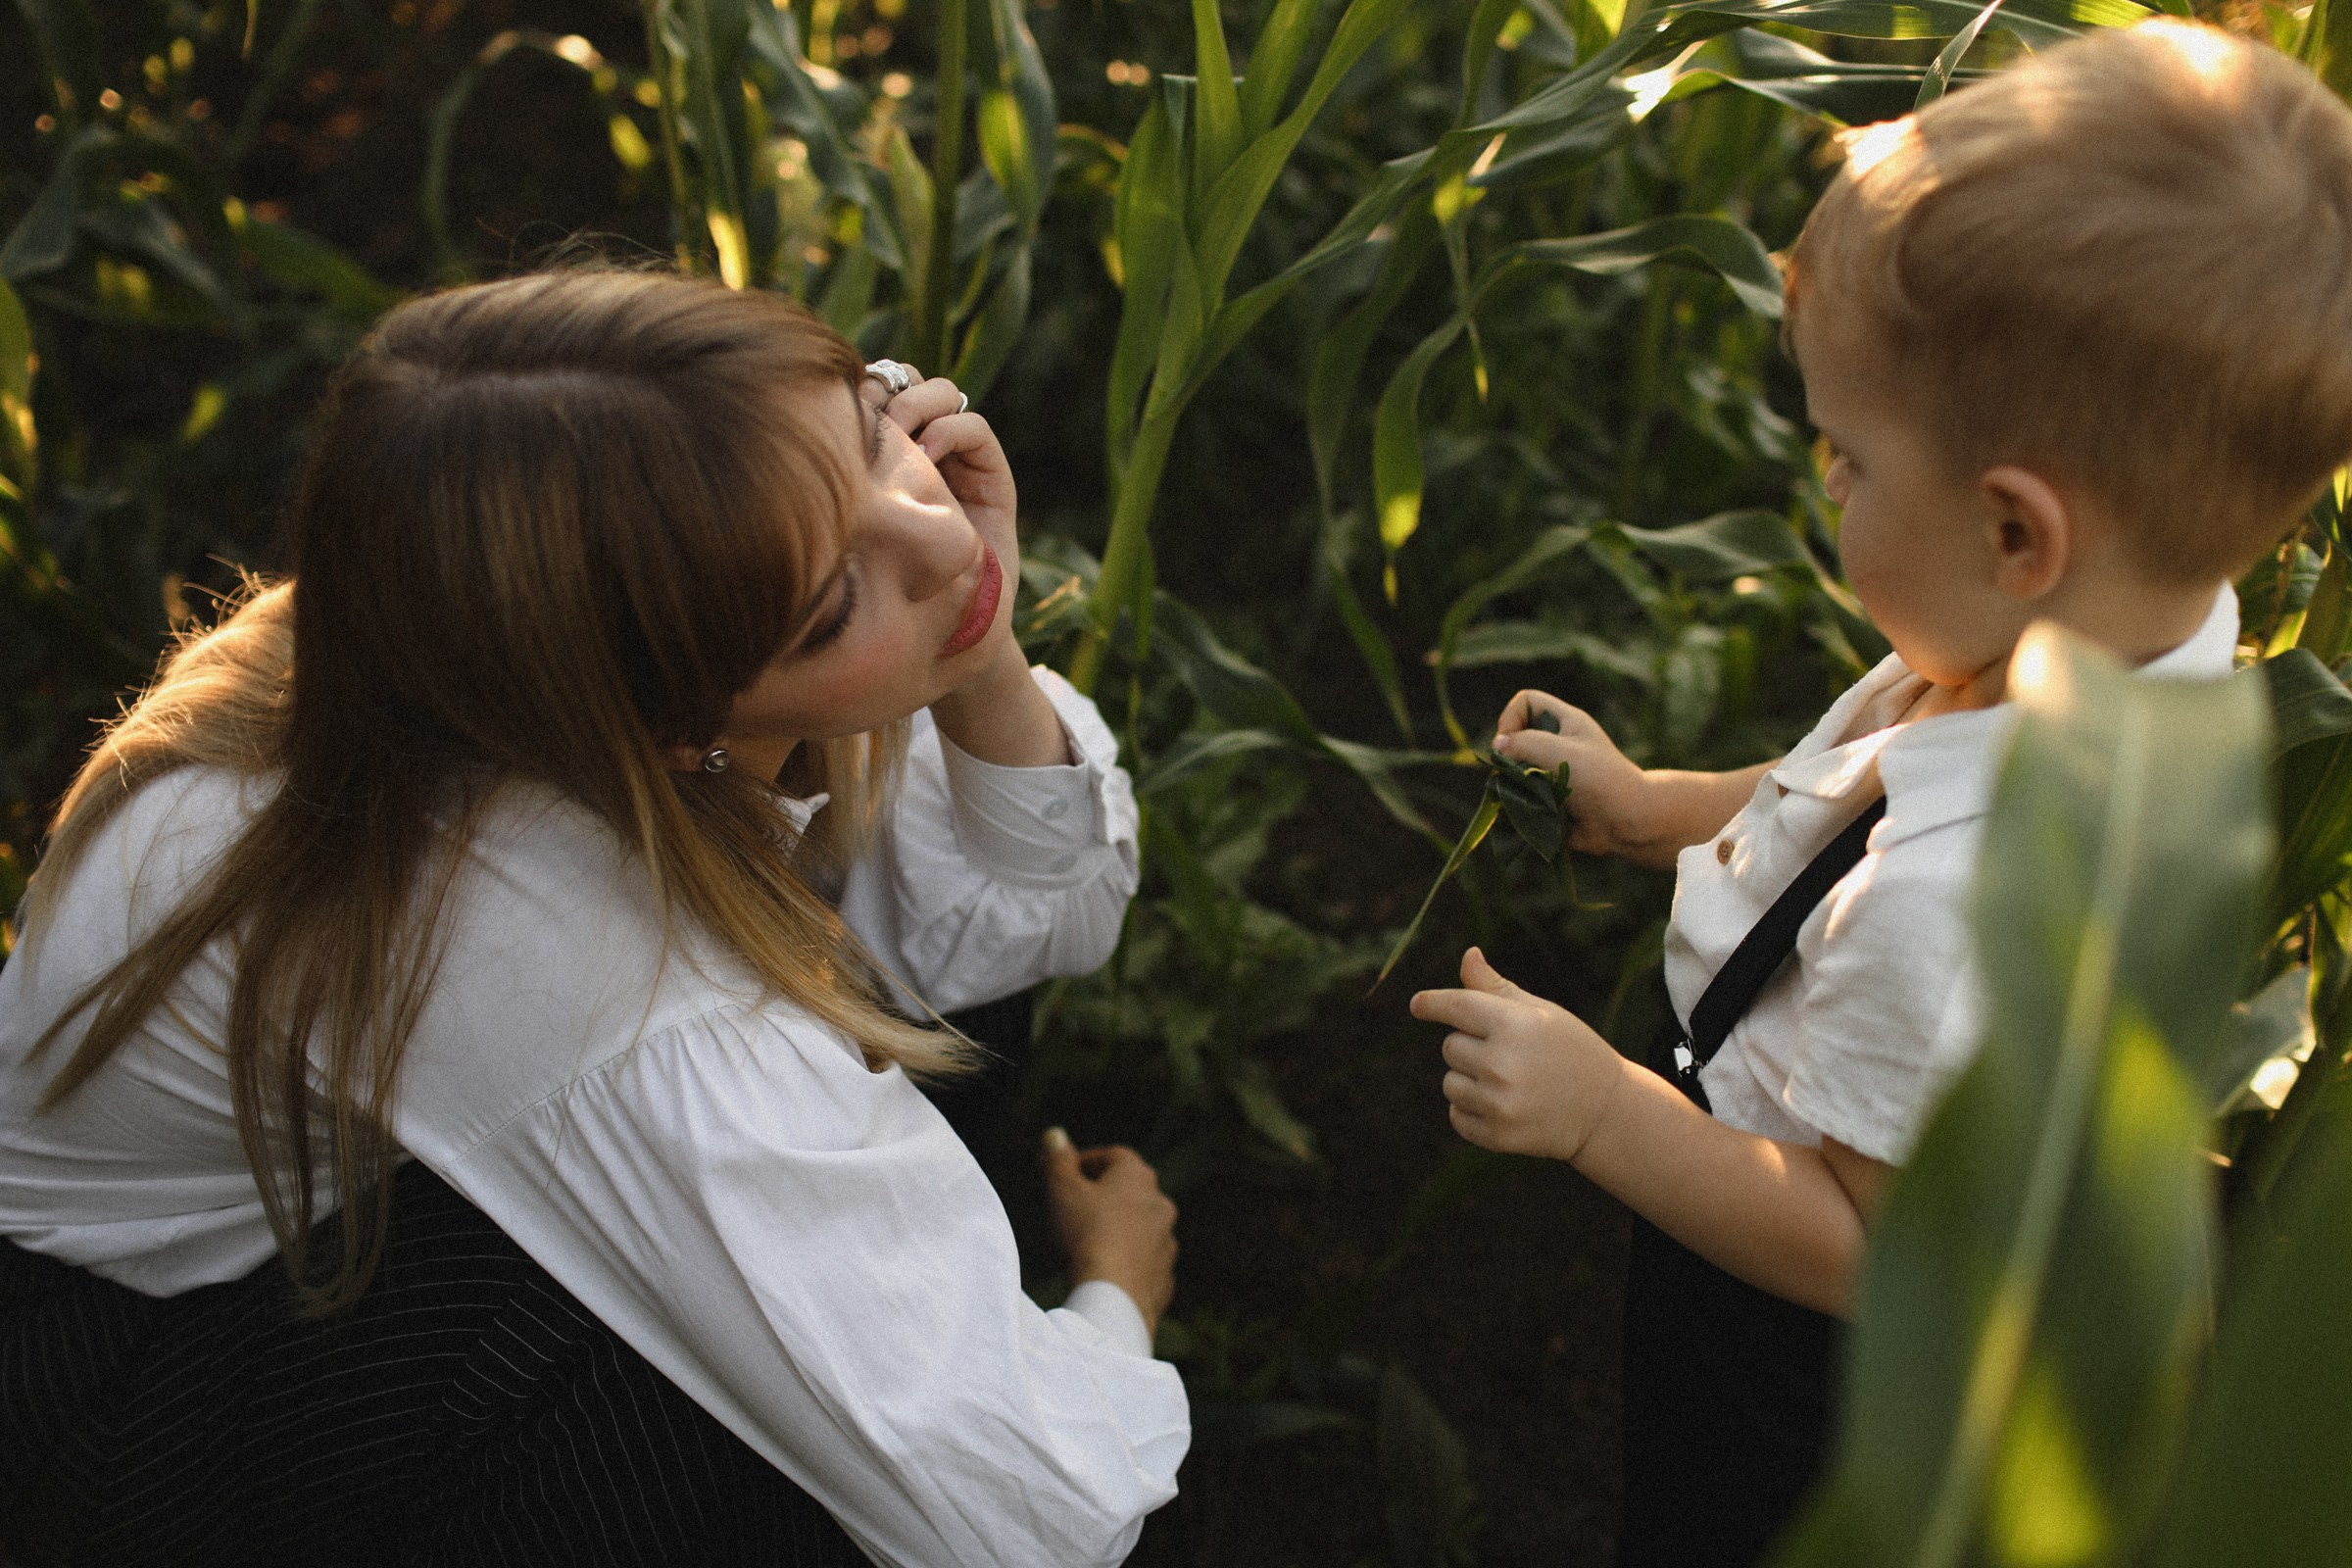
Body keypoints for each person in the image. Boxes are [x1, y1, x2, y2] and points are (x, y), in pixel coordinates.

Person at [0, 271, 1187, 1567]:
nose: (944, 535)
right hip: (120, 1390)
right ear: (673, 726)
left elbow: (1022, 927)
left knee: (894, 1042)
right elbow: (1032, 1517)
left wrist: (982, 648)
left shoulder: (491, 648)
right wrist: (1113, 1292)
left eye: (876, 430)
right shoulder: (574, 969)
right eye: (835, 602)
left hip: (337, 1209)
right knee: (688, 1395)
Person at [1407, 22, 2352, 1568]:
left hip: (1791, 1355)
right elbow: (1852, 799)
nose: (1826, 481)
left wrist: (1601, 1114)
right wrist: (1658, 808)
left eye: (1847, 454)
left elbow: (1861, 1250)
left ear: (2017, 536)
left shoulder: (1958, 916)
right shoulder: (2121, 649)